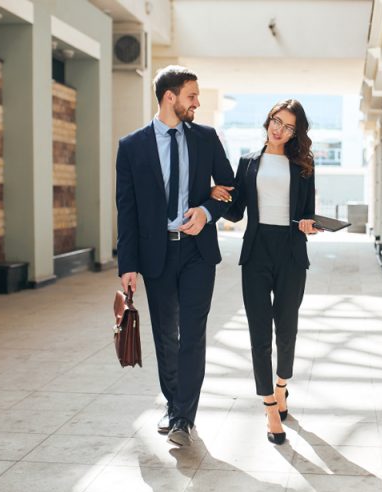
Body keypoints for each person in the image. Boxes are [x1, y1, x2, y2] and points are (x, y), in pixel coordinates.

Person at [115, 65, 234, 447]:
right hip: (157, 253)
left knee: (193, 334)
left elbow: (232, 194)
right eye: (192, 96)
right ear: (170, 97)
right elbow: (127, 209)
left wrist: (207, 211)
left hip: (198, 252)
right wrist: (128, 265)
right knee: (166, 335)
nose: (197, 102)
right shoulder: (132, 147)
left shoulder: (205, 138)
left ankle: (182, 415)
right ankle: (174, 404)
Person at [211, 99, 319, 445]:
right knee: (259, 332)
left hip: (290, 252)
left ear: (295, 132)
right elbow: (236, 213)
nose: (279, 129)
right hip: (256, 252)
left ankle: (282, 385)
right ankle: (270, 405)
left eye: (288, 126)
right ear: (268, 120)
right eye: (276, 121)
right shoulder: (247, 163)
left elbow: (309, 215)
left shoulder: (304, 165)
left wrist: (309, 225)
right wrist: (215, 193)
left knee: (286, 329)